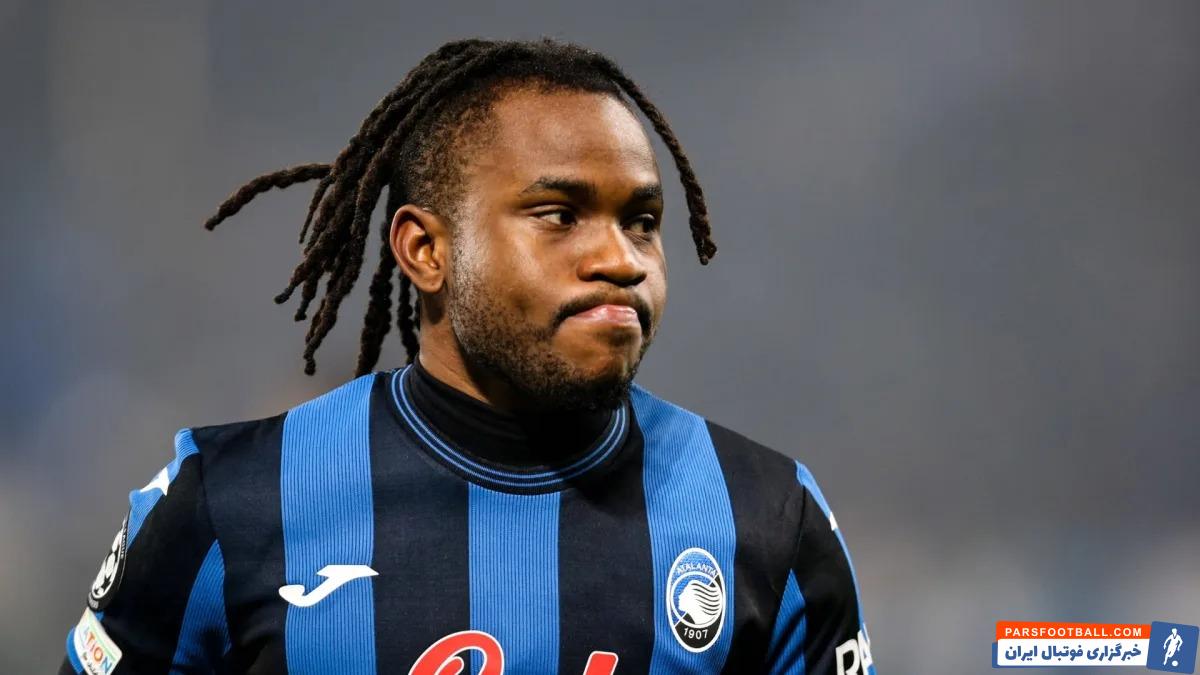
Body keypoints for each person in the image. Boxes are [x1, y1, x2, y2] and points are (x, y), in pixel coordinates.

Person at [59, 38, 876, 675]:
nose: (620, 258)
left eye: (641, 221)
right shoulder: (228, 502)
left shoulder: (768, 517)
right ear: (425, 250)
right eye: (558, 214)